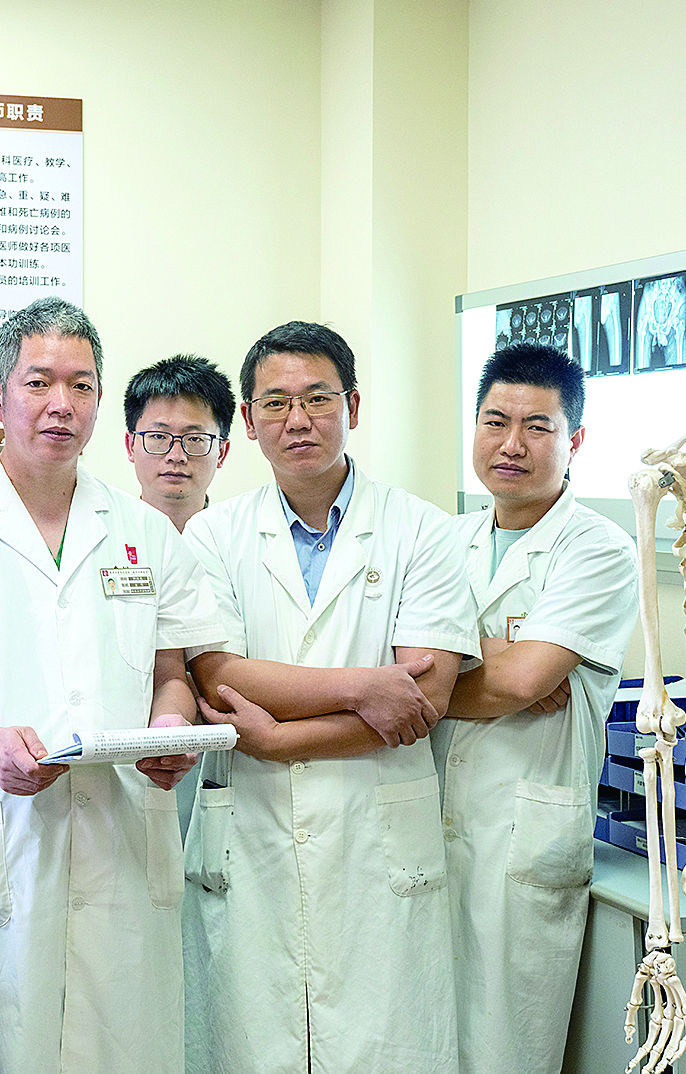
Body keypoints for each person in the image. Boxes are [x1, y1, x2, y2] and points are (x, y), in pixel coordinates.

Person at [0, 298, 226, 1074]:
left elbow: (170, 674)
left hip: (122, 850)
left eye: (81, 386)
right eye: (39, 382)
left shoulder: (144, 533)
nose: (62, 404)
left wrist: (169, 725)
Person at [181, 321, 477, 1074]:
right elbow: (220, 675)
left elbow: (424, 698)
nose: (298, 419)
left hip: (377, 837)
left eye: (317, 398)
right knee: (253, 1043)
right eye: (275, 403)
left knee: (386, 1047)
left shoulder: (422, 531)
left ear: (353, 406)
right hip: (252, 832)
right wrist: (362, 686)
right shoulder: (212, 537)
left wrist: (280, 737)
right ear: (247, 422)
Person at [437, 341, 638, 1074]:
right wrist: (502, 662)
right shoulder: (443, 540)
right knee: (419, 1036)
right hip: (429, 821)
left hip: (522, 830)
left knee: (504, 1048)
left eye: (537, 427)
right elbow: (383, 663)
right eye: (495, 422)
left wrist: (463, 671)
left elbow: (521, 681)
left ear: (574, 439)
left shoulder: (599, 549)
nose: (511, 444)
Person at [123, 354, 233, 533]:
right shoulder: (105, 535)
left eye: (195, 439)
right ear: (130, 446)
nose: (176, 456)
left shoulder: (238, 540)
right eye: (158, 436)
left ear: (222, 452)